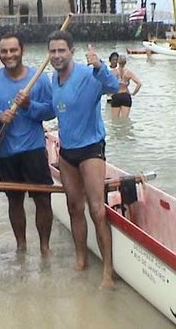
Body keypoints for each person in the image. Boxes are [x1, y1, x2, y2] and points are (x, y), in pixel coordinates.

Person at [47, 31, 119, 288]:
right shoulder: (53, 80)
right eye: (53, 51)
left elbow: (113, 87)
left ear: (72, 51)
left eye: (61, 51)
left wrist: (99, 65)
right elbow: (51, 109)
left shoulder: (88, 75)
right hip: (67, 152)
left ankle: (108, 273)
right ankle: (81, 260)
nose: (57, 56)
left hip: (90, 149)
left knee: (97, 210)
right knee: (74, 208)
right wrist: (26, 107)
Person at [0, 33, 55, 257]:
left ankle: (44, 247)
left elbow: (51, 110)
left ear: (23, 50)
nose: (9, 55)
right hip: (6, 151)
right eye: (4, 51)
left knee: (42, 198)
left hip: (33, 149)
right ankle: (21, 245)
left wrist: (30, 105)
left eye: (13, 50)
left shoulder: (39, 79)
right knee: (14, 200)